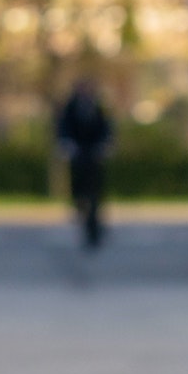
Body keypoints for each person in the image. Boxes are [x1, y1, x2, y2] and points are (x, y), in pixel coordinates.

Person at [56, 79, 115, 249]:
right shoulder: (70, 107)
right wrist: (67, 144)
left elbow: (106, 128)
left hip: (94, 156)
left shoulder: (98, 107)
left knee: (95, 194)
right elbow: (64, 128)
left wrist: (105, 145)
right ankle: (80, 207)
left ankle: (94, 231)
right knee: (80, 189)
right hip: (78, 155)